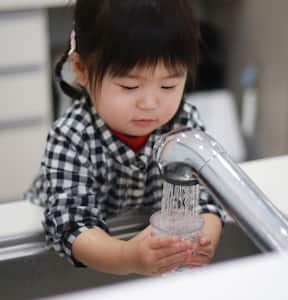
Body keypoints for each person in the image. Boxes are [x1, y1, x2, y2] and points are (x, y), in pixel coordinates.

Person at [26, 0, 225, 276]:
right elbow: (72, 225)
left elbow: (207, 199)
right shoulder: (71, 136)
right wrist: (125, 256)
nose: (150, 103)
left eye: (169, 85)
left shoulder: (184, 123)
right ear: (81, 70)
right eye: (130, 86)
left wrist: (205, 238)